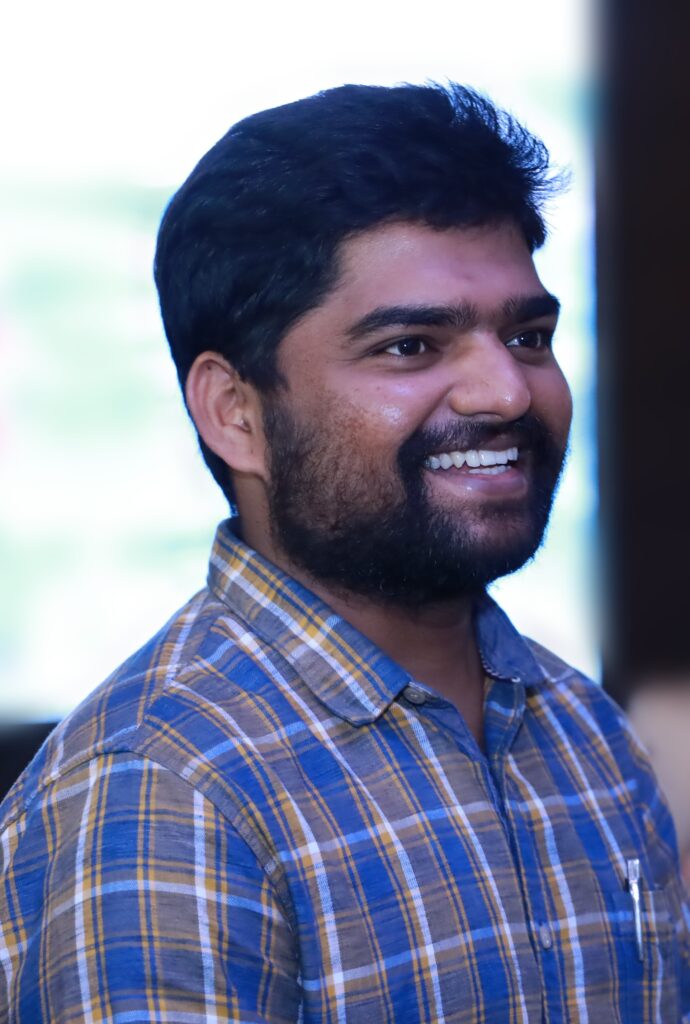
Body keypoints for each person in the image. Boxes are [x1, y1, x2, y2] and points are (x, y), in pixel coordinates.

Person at [1, 82, 688, 1024]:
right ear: (235, 413)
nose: (505, 392)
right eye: (411, 346)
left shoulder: (586, 734)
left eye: (528, 336)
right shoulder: (167, 787)